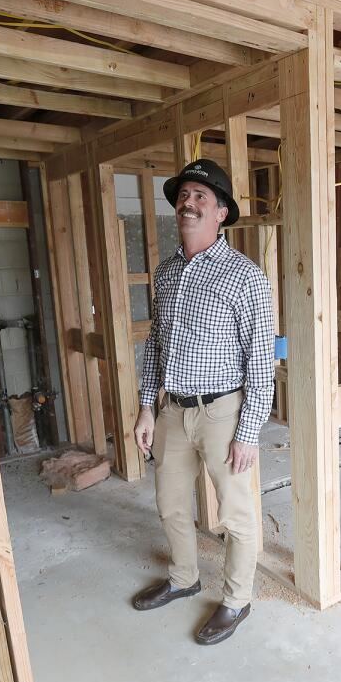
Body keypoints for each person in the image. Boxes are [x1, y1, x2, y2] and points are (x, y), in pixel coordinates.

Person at [130, 159, 274, 646]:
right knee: (170, 504)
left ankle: (236, 600)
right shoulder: (167, 272)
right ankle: (184, 577)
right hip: (173, 409)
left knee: (234, 516)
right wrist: (147, 406)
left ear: (221, 213)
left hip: (223, 413)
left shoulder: (245, 277)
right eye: (183, 196)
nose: (187, 204)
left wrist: (249, 432)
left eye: (200, 197)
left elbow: (260, 360)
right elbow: (155, 343)